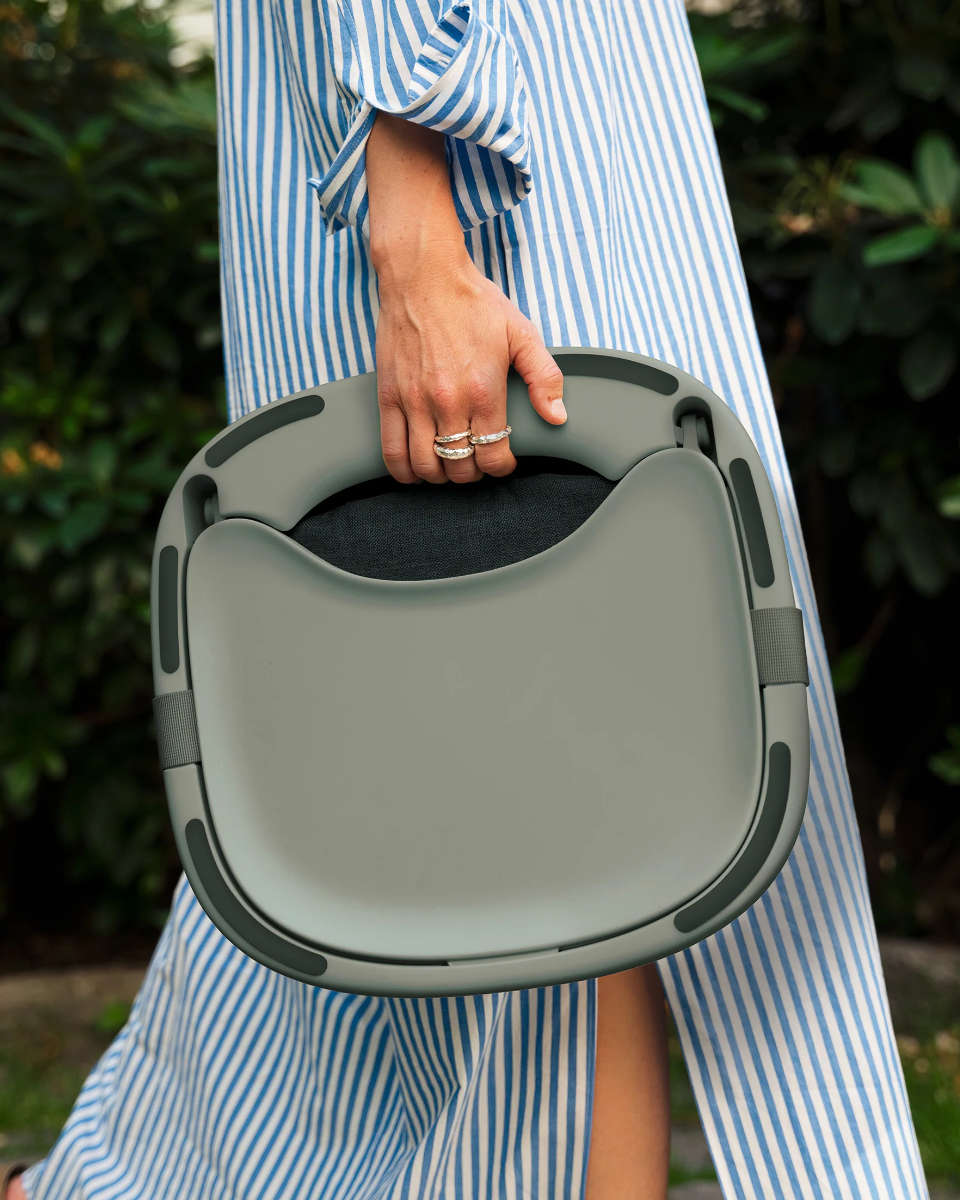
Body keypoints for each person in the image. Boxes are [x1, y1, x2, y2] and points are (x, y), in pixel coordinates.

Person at [8, 0, 929, 1197]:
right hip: (474, 178)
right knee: (546, 813)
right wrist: (416, 222)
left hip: (522, 141)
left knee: (424, 813)